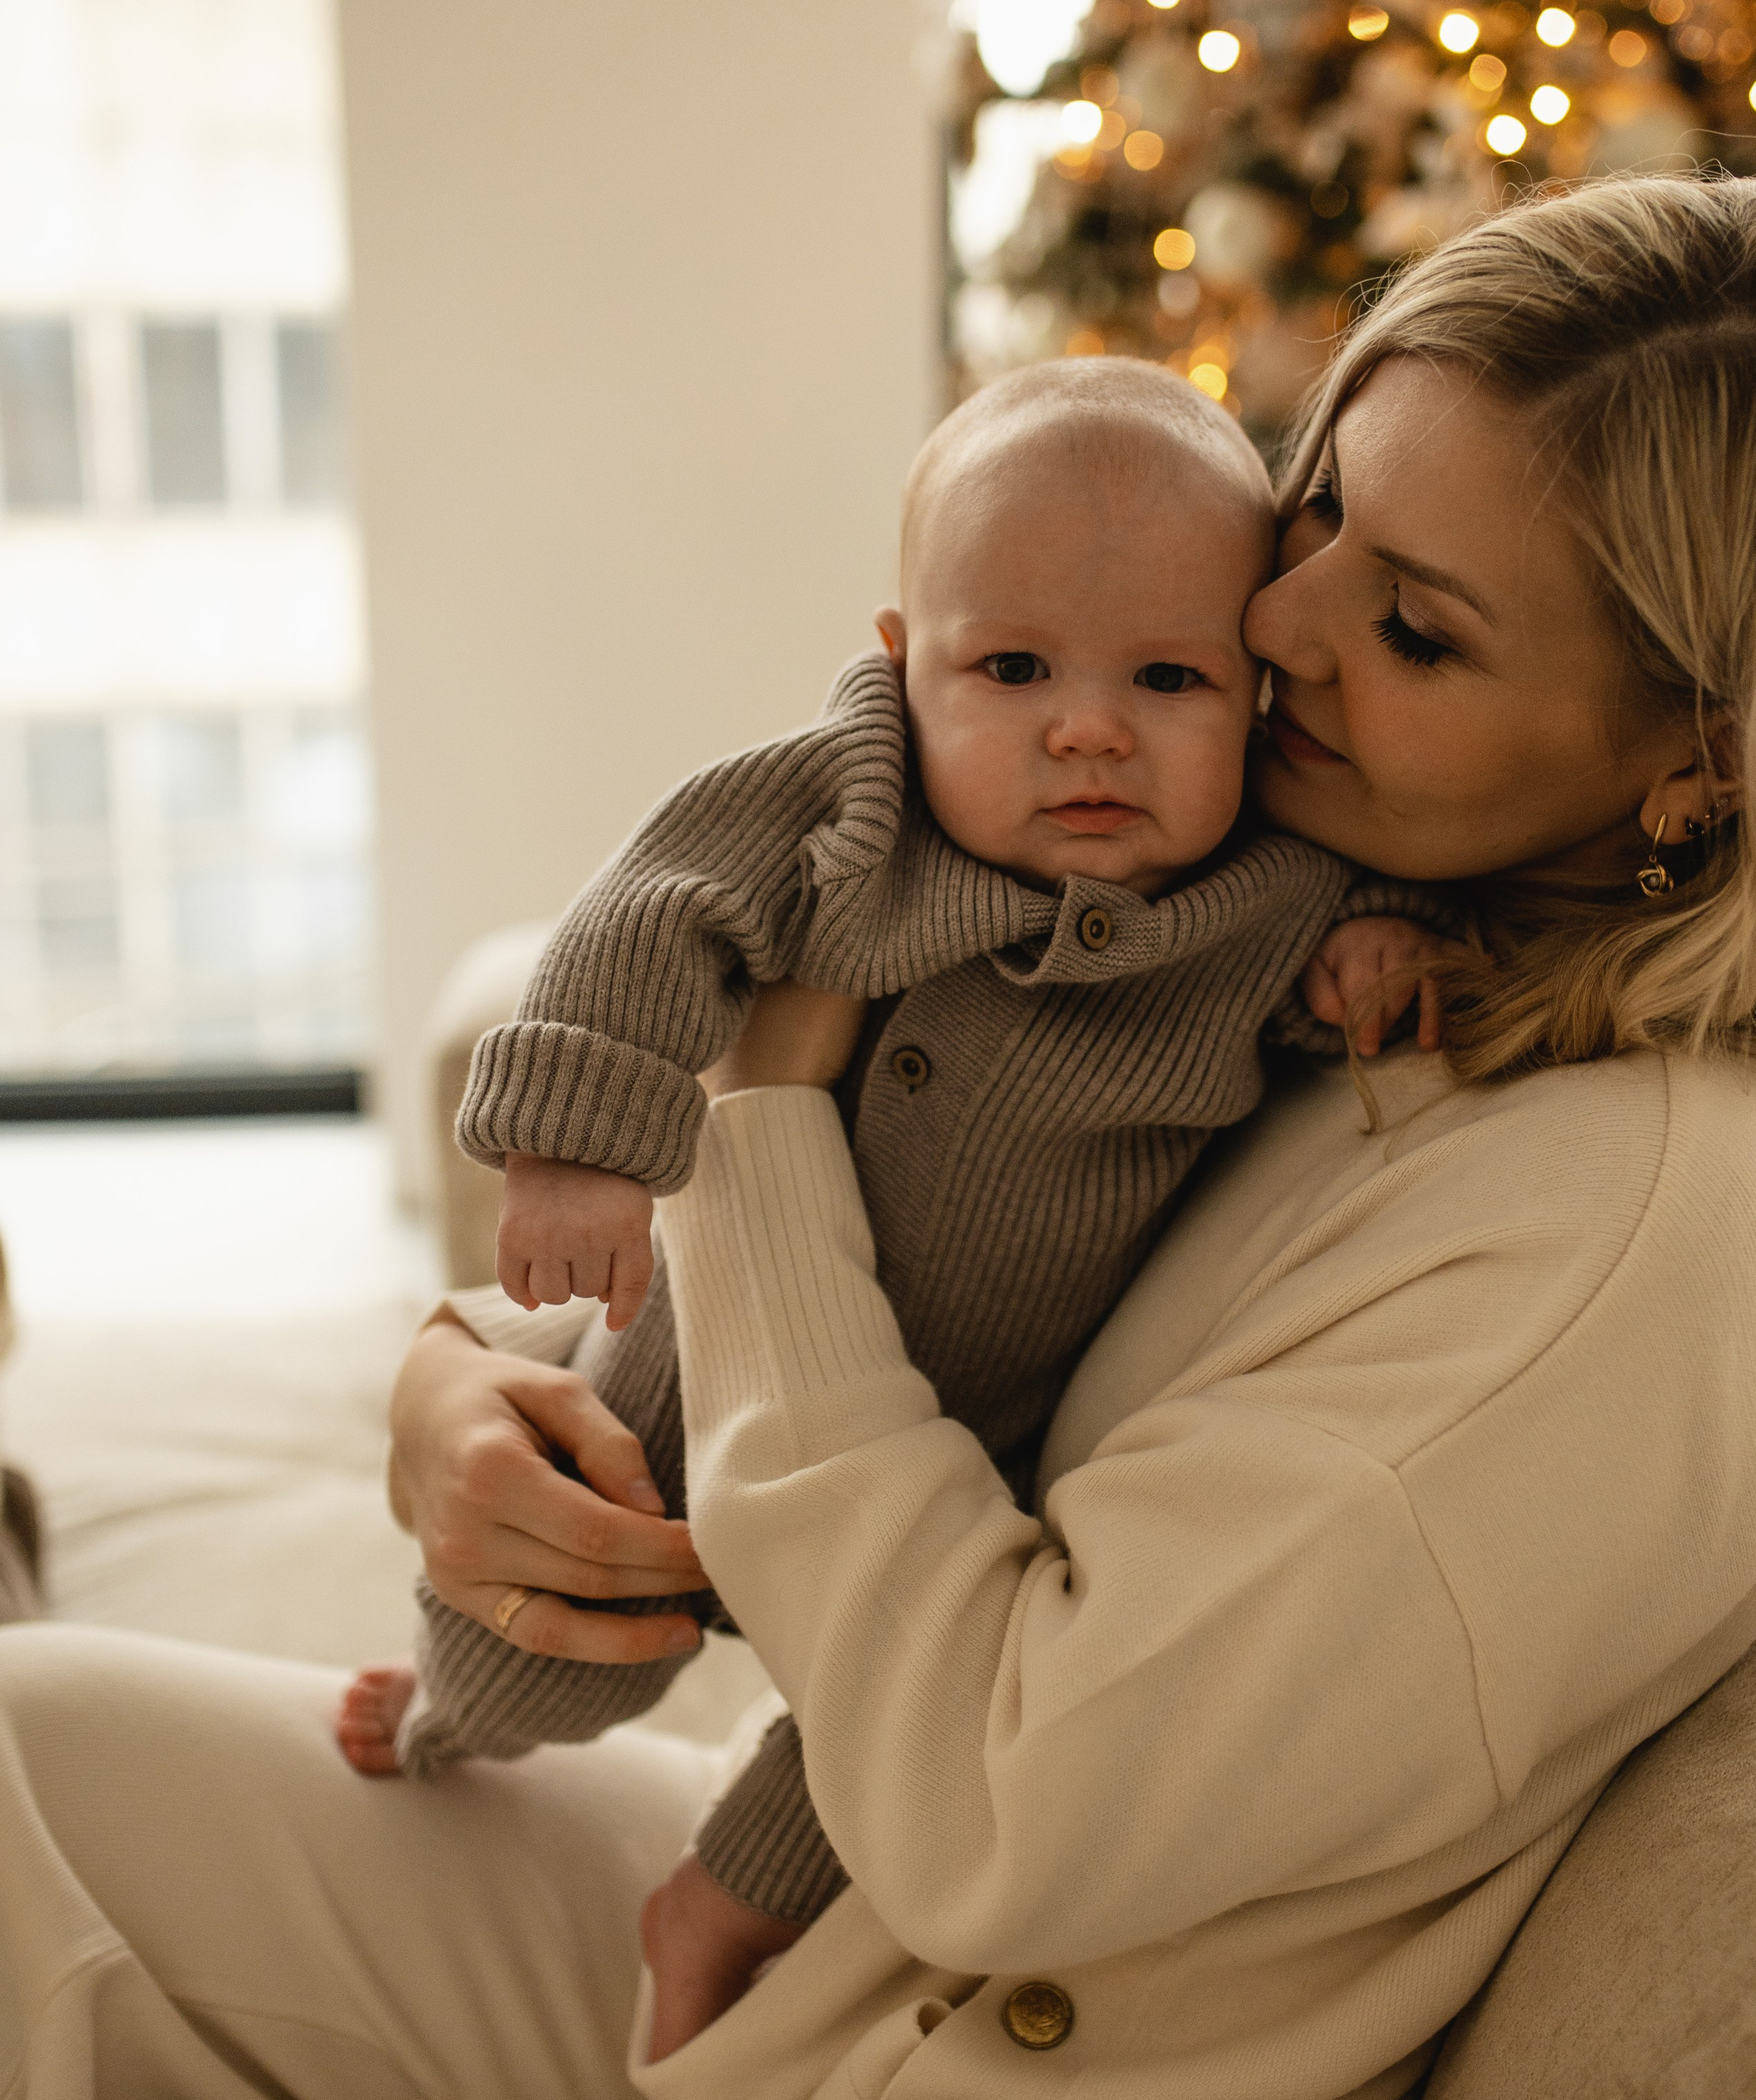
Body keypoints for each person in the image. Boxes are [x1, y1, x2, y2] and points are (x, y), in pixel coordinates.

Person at [0, 172, 1756, 2100]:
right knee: (32, 1755)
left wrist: (763, 1106)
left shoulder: (1640, 1241)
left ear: (1700, 755)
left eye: (1414, 625)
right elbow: (964, 1246)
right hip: (836, 1988)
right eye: (1316, 514)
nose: (1271, 622)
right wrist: (467, 1377)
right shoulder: (1371, 937)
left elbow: (1001, 1803)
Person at [335, 360, 1444, 1998]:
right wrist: (576, 1139)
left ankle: (721, 1902)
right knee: (553, 1615)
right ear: (898, 665)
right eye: (1008, 668)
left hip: (980, 1452)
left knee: (872, 1744)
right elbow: (660, 901)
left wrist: (1363, 960)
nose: (1088, 727)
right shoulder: (857, 806)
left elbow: (1323, 1003)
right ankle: (446, 1713)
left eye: (1166, 677)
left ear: (1253, 699)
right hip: (693, 1373)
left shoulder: (1266, 892)